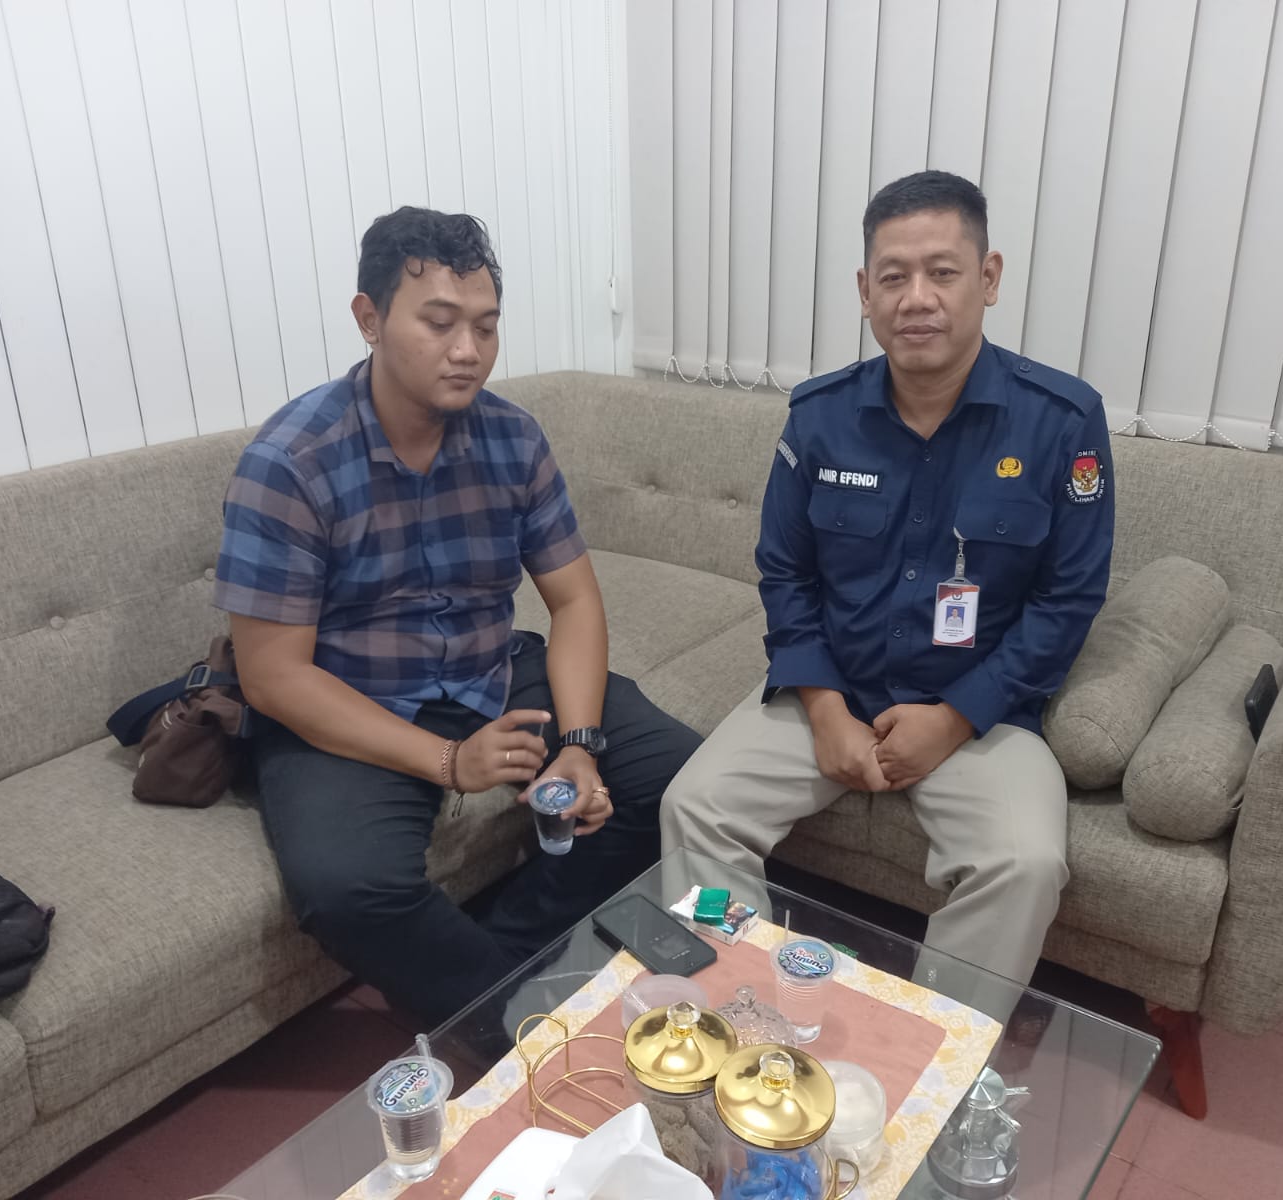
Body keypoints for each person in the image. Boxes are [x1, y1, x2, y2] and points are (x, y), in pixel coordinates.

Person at [215, 207, 701, 1027]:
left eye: (485, 325)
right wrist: (448, 761)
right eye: (439, 323)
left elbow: (575, 599)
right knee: (346, 885)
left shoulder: (513, 438)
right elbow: (273, 677)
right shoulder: (291, 463)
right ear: (370, 319)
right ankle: (520, 1025)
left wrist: (579, 746)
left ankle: (508, 949)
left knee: (673, 774)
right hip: (349, 698)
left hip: (488, 667)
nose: (468, 349)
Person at [661, 171, 1114, 988]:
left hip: (979, 710)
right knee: (693, 807)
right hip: (832, 686)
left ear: (989, 278)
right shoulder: (819, 415)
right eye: (894, 276)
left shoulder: (1061, 421)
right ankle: (741, 1009)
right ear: (865, 292)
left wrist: (953, 719)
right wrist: (826, 713)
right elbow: (786, 574)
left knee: (1024, 862)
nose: (918, 299)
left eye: (943, 272)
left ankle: (929, 1049)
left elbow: (1067, 600)